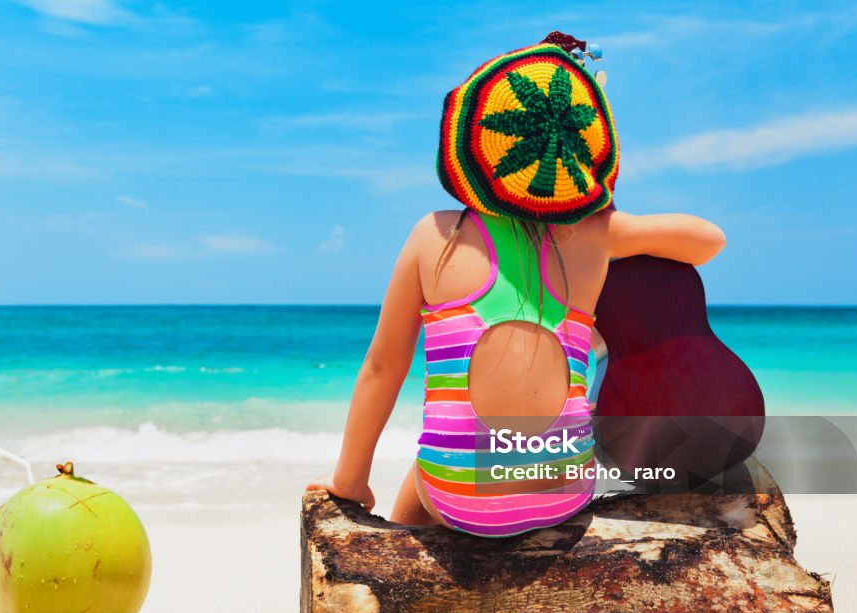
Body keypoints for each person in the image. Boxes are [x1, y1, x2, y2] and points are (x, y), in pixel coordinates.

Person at [306, 32, 726, 536]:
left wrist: (350, 481)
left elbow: (383, 366)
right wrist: (600, 208)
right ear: (581, 152)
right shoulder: (597, 235)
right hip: (564, 491)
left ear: (476, 148)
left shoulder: (435, 235)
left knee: (421, 479)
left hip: (459, 496)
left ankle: (396, 566)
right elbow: (709, 240)